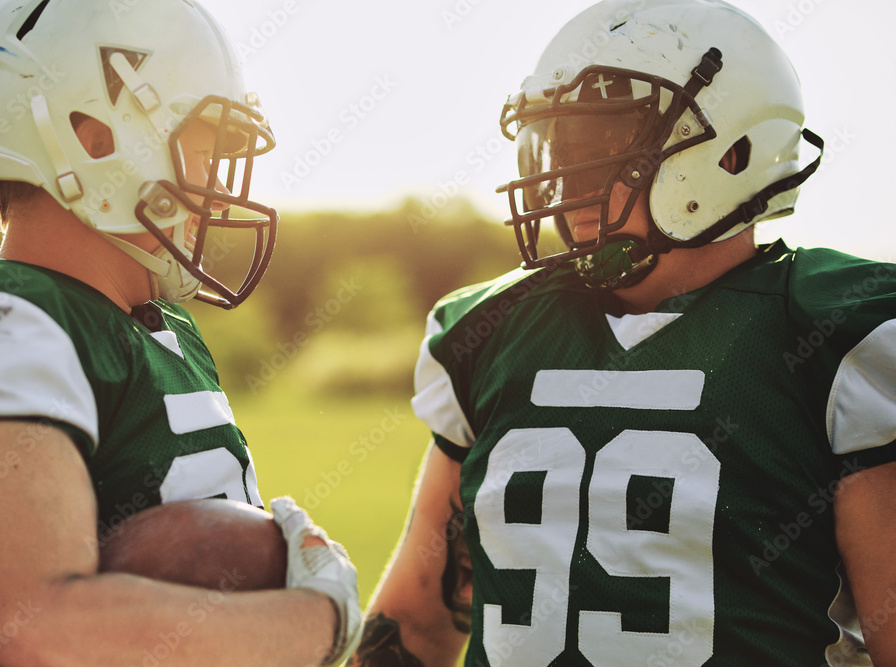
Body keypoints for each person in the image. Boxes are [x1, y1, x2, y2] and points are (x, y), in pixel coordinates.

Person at [350, 0, 896, 665]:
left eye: (603, 145)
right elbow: (415, 623)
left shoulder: (829, 335)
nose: (567, 176)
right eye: (560, 143)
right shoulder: (491, 333)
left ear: (732, 153)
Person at [0, 0, 361, 665]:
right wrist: (315, 622)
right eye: (206, 142)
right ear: (92, 135)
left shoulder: (166, 329)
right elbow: (26, 631)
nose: (220, 191)